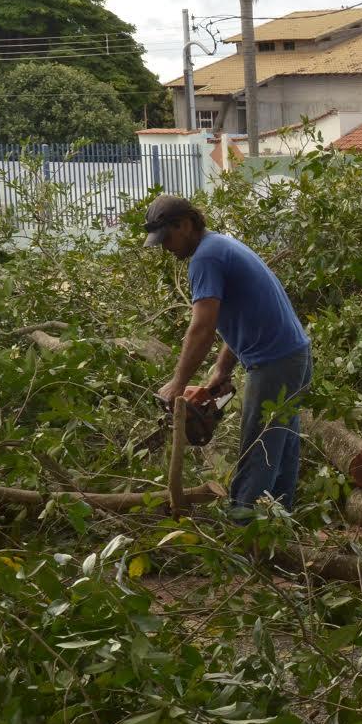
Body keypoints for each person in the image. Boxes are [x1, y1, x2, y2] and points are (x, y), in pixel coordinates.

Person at [144, 194, 312, 512]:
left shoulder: (206, 258)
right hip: (294, 356)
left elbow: (203, 327)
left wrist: (179, 382)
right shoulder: (219, 245)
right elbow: (241, 318)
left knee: (257, 451)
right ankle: (279, 526)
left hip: (274, 363)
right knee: (281, 446)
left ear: (186, 225)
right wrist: (222, 369)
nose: (166, 247)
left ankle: (243, 526)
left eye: (167, 237)